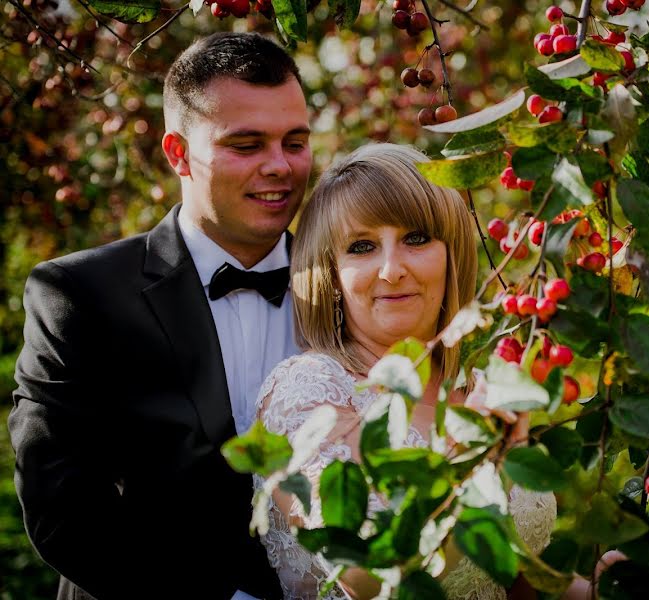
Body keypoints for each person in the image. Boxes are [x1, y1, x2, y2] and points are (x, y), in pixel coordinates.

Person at [8, 31, 311, 600]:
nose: (280, 167)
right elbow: (63, 510)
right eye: (246, 145)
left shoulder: (353, 283)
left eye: (294, 142)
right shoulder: (78, 293)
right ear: (178, 154)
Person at [253, 143, 558, 600]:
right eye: (362, 247)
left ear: (452, 253)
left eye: (416, 238)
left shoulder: (480, 388)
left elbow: (507, 575)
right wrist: (469, 456)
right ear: (331, 275)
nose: (392, 270)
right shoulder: (310, 389)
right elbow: (366, 573)